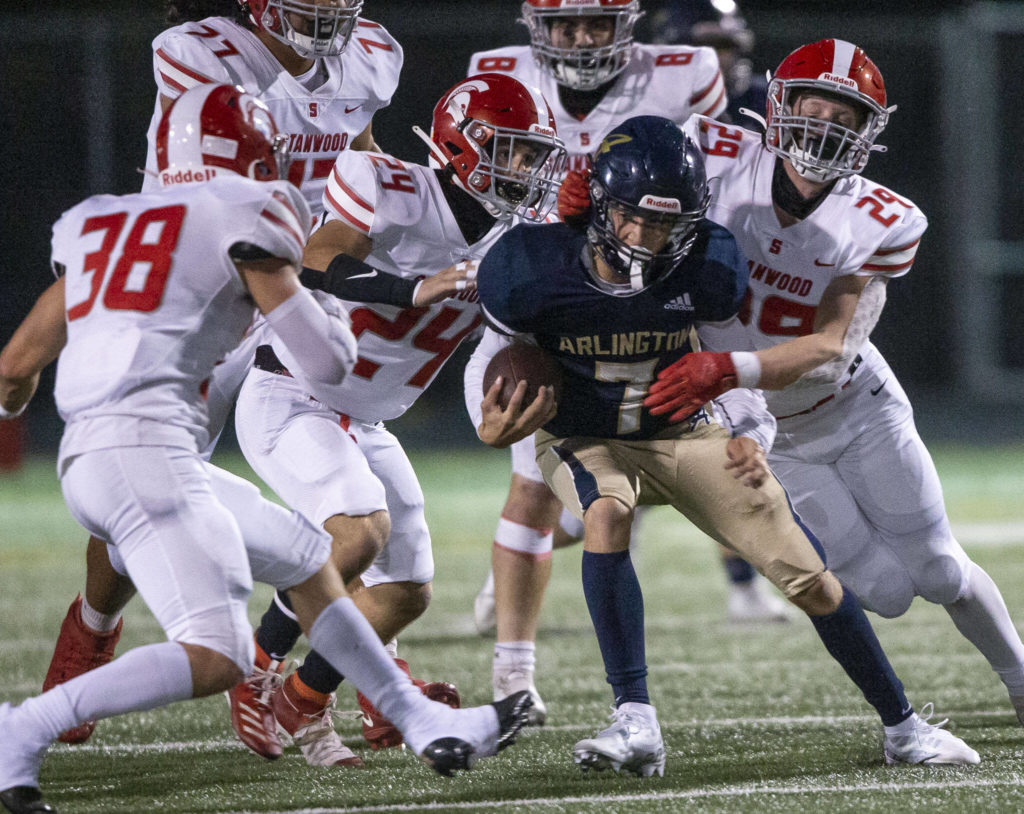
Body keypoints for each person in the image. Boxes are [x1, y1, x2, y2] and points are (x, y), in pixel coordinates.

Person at [0, 83, 531, 814]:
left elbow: (15, 367)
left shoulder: (96, 223)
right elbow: (321, 357)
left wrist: (26, 408)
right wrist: (350, 324)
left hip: (100, 455)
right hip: (150, 455)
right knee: (218, 654)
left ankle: (420, 717)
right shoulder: (244, 215)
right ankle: (23, 726)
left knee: (312, 562)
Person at [466, 114, 981, 776]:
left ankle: (905, 728)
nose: (647, 236)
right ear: (597, 203)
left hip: (682, 430)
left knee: (810, 577)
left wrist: (748, 433)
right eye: (632, 217)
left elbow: (729, 363)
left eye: (666, 222)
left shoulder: (707, 262)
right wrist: (489, 417)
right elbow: (493, 359)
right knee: (607, 512)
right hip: (585, 433)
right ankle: (635, 721)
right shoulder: (528, 264)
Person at [41, 0, 404, 766]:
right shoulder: (197, 51)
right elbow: (228, 157)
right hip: (202, 274)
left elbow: (362, 159)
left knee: (358, 487)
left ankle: (345, 669)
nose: (332, 9)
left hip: (299, 282)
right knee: (148, 479)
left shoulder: (370, 52)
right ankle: (94, 628)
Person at [642, 38, 1024, 724]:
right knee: (884, 591)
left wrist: (725, 368)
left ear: (868, 132)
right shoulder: (718, 161)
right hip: (772, 431)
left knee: (936, 567)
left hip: (853, 406)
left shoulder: (884, 217)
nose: (825, 129)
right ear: (778, 107)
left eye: (844, 117)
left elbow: (828, 343)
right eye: (815, 109)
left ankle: (1021, 680)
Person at [224, 72, 567, 762]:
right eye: (512, 152)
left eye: (534, 156)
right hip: (291, 392)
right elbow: (314, 258)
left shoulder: (518, 240)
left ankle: (302, 699)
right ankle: (256, 665)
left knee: (407, 593)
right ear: (461, 145)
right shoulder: (390, 184)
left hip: (367, 419)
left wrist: (500, 413)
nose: (526, 171)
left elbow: (512, 345)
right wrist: (413, 288)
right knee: (357, 534)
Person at [464, 0, 782, 729]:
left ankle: (527, 593)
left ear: (629, 23)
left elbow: (717, 167)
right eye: (566, 23)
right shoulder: (498, 77)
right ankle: (514, 672)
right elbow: (474, 180)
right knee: (533, 474)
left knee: (641, 472)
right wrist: (554, 216)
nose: (580, 37)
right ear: (536, 26)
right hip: (540, 297)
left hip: (649, 294)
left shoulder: (684, 72)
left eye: (596, 21)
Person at [645, 0, 765, 126]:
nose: (713, 57)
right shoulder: (649, 104)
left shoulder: (763, 99)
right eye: (701, 46)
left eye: (722, 45)